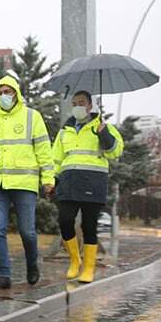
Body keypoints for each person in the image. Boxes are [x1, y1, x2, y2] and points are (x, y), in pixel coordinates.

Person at [0, 72, 55, 290]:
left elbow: (44, 149)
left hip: (24, 184)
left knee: (27, 231)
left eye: (8, 92)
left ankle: (32, 263)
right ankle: (3, 275)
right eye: (0, 92)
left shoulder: (31, 116)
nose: (4, 95)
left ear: (16, 94)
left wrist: (48, 178)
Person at [52, 90, 123, 283]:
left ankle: (88, 268)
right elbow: (55, 158)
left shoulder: (102, 127)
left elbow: (114, 152)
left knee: (89, 226)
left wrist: (104, 134)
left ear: (90, 105)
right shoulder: (65, 130)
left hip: (93, 181)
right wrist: (51, 180)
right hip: (69, 182)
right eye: (74, 103)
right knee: (65, 221)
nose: (77, 107)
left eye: (81, 103)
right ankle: (75, 260)